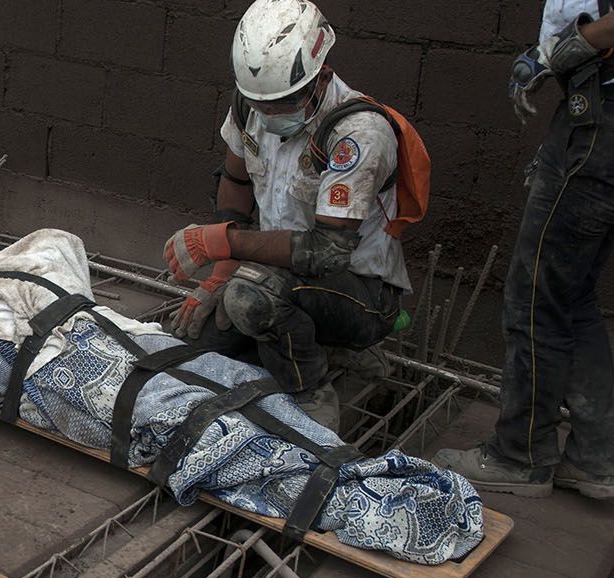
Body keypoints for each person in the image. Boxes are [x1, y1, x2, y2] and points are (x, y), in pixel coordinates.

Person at [163, 0, 422, 431]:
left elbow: (328, 251)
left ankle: (311, 389)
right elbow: (237, 181)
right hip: (276, 274)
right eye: (261, 103)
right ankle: (325, 346)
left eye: (283, 102)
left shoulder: (357, 134)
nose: (270, 114)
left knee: (250, 298)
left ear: (320, 77)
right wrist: (222, 270)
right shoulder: (251, 106)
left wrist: (224, 244)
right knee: (202, 334)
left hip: (359, 293)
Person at [434, 3, 614, 499]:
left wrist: (566, 47)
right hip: (608, 121)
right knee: (572, 294)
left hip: (603, 123)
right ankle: (596, 456)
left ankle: (520, 455)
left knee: (535, 298)